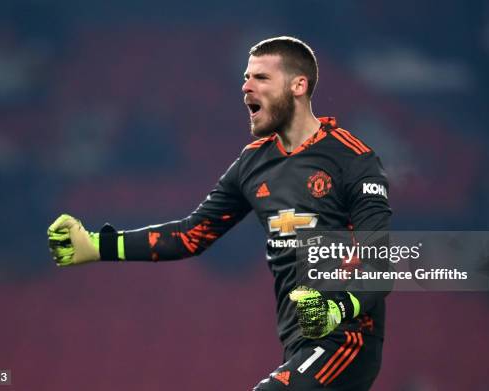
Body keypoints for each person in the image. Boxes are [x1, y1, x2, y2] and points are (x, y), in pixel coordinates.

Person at [47, 36, 392, 390]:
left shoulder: (352, 159)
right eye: (246, 77)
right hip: (297, 346)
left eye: (261, 78)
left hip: (347, 339)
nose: (246, 87)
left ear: (298, 86)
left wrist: (337, 309)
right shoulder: (253, 163)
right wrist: (97, 245)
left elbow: (380, 264)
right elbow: (190, 235)